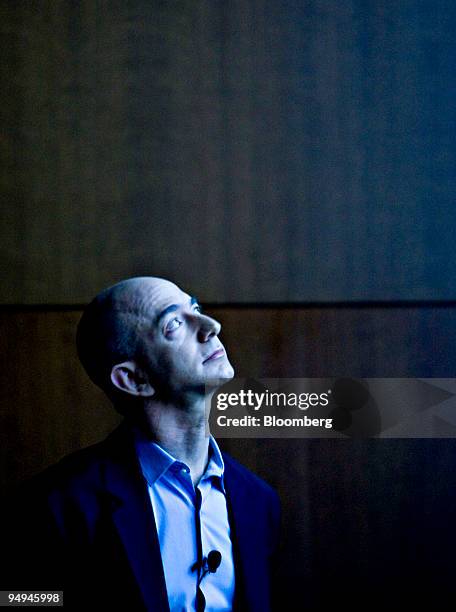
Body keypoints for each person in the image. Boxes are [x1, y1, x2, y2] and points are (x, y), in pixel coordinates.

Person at [2, 277, 281, 611]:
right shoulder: (54, 504)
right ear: (134, 379)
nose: (211, 326)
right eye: (175, 323)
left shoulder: (258, 501)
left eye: (196, 308)